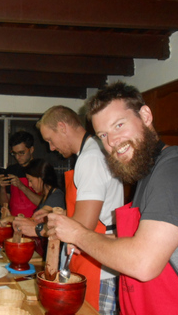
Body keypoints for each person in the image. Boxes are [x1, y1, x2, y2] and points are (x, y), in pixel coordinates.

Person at [47, 82, 178, 314]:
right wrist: (91, 242)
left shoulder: (177, 169)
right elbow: (141, 241)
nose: (112, 142)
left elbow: (143, 262)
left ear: (146, 115)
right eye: (103, 135)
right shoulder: (149, 174)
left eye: (119, 125)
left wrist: (78, 235)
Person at [37, 105, 124, 314]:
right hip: (90, 255)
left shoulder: (91, 158)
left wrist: (40, 230)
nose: (51, 148)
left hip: (100, 265)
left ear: (62, 127)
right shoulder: (89, 152)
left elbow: (83, 226)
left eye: (50, 140)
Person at [6, 158, 65, 258]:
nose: (30, 185)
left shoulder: (56, 196)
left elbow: (36, 221)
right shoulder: (47, 196)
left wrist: (10, 218)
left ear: (40, 178)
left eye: (31, 180)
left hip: (53, 253)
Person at [0, 131, 42, 218]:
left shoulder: (41, 169)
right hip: (15, 222)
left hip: (36, 223)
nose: (17, 157)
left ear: (31, 149)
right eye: (14, 153)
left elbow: (45, 204)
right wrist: (2, 188)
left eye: (21, 152)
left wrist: (21, 186)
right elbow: (4, 205)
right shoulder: (11, 170)